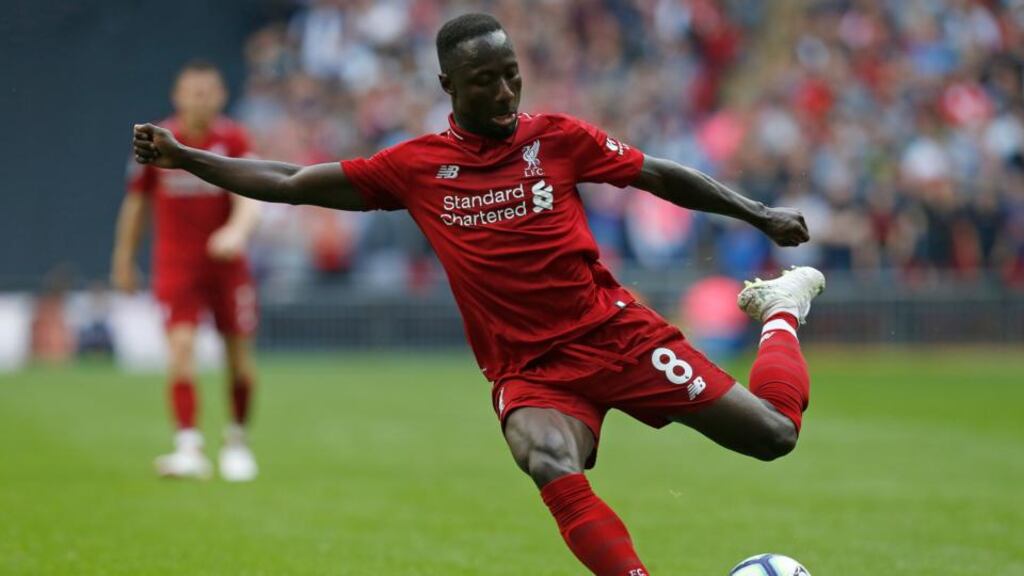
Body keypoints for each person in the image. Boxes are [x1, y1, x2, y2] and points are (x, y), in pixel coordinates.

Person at [130, 14, 824, 574]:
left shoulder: (556, 138)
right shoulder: (415, 168)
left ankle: (783, 309)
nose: (503, 93)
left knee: (773, 436)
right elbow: (288, 181)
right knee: (546, 458)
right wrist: (186, 157)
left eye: (511, 76)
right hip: (530, 370)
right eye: (484, 81)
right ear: (448, 85)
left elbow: (661, 176)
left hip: (615, 336)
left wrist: (758, 213)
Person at [112, 60, 262, 482]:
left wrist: (236, 230)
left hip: (228, 267)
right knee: (180, 350)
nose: (201, 99)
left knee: (238, 357)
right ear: (177, 96)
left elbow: (253, 194)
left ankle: (236, 442)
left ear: (221, 96)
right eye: (193, 91)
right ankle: (189, 447)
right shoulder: (155, 141)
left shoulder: (233, 139)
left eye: (208, 91)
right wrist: (123, 258)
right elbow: (136, 203)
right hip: (176, 265)